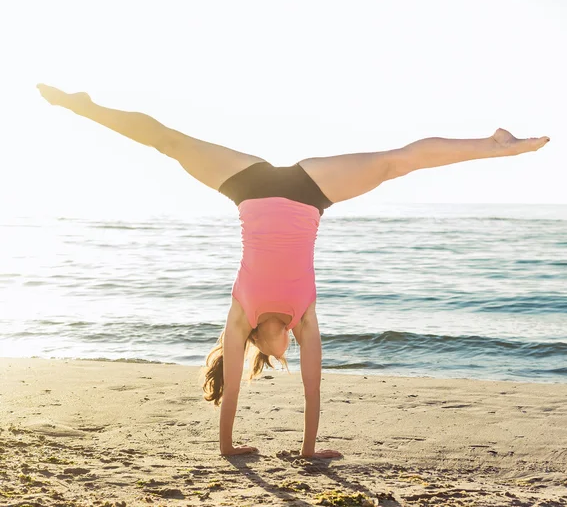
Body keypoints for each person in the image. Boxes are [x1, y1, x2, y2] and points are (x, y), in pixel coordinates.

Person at [36, 83, 550, 458]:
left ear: (263, 342)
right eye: (289, 357)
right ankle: (495, 146)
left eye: (276, 359)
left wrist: (228, 446)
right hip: (310, 193)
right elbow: (314, 387)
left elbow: (233, 388)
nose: (287, 357)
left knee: (169, 142)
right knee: (397, 162)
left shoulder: (241, 319)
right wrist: (308, 452)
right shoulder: (304, 319)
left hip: (249, 187)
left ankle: (84, 106)